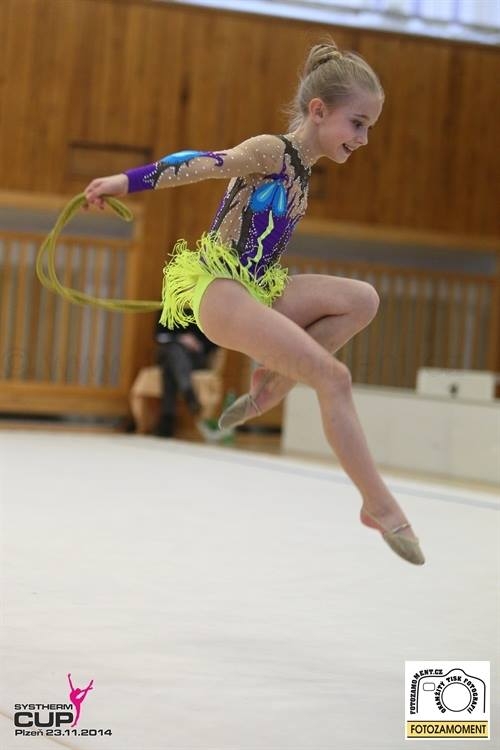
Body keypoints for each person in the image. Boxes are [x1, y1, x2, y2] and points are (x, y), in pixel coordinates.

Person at [84, 40, 425, 565]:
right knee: (333, 379)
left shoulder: (304, 169)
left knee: (362, 299)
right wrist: (123, 181)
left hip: (259, 287)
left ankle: (272, 382)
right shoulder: (273, 150)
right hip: (220, 290)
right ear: (318, 111)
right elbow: (202, 163)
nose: (363, 139)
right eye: (357, 124)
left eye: (369, 127)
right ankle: (378, 505)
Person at [154, 316, 218, 437]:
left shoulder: (204, 308)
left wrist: (197, 344)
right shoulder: (168, 308)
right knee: (174, 351)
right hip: (171, 350)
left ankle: (167, 418)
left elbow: (215, 341)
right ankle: (187, 390)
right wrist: (179, 339)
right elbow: (159, 336)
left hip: (194, 357)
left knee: (170, 363)